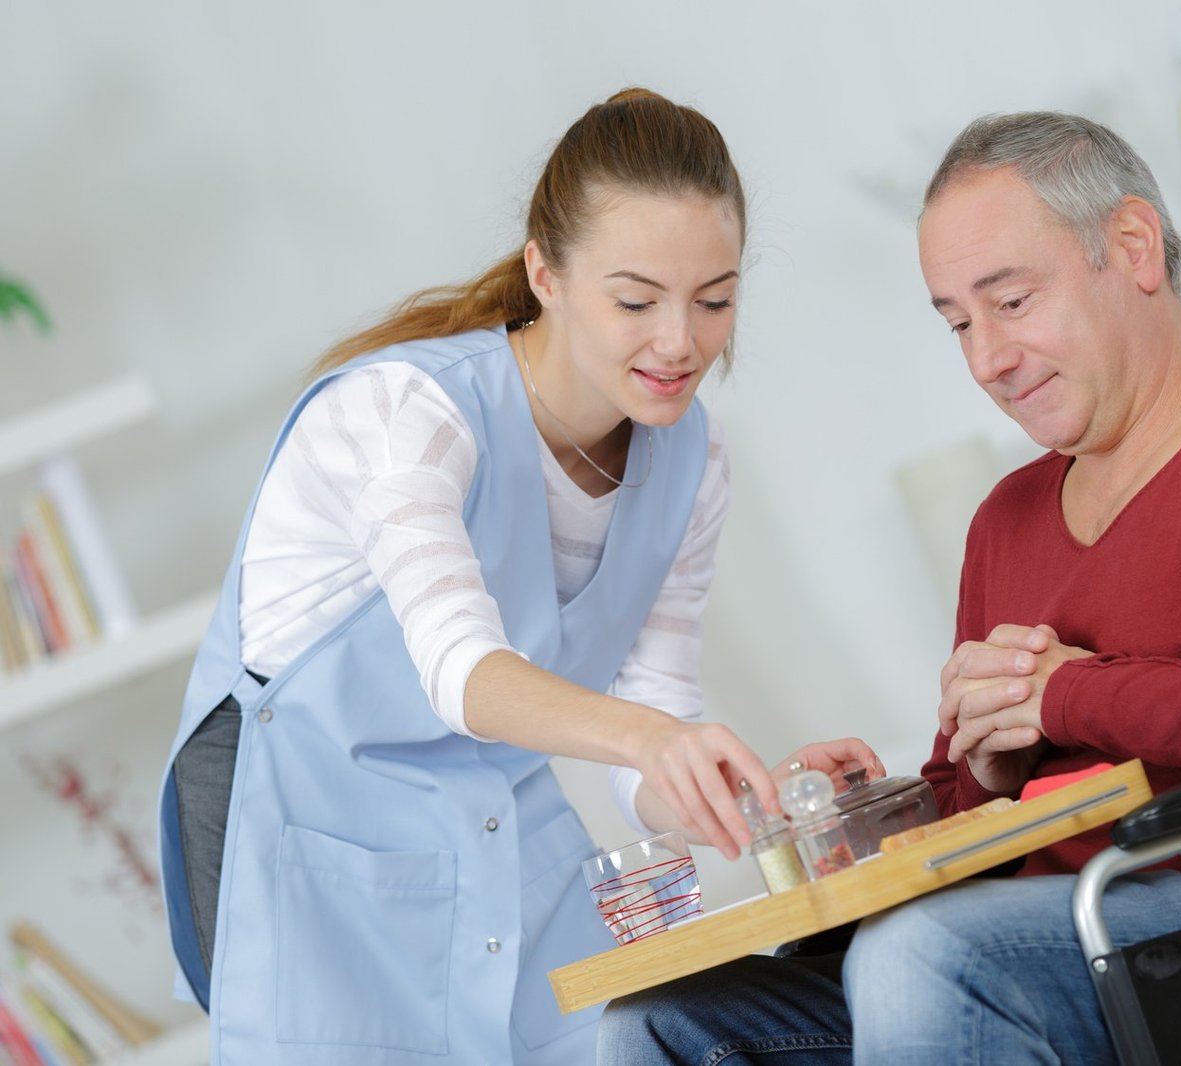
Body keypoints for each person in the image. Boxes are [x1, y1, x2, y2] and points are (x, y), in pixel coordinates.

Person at [597, 111, 1181, 1064]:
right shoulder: (1008, 521)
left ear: (1133, 247)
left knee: (922, 955)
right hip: (1069, 943)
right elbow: (985, 805)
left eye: (1012, 302)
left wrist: (1074, 692)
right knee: (659, 1023)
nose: (986, 359)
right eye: (958, 324)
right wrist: (898, 805)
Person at [155, 88, 880, 1066]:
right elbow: (465, 673)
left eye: (715, 299)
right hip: (308, 829)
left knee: (634, 1038)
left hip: (495, 815)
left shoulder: (689, 463)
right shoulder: (401, 415)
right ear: (545, 271)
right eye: (636, 300)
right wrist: (657, 738)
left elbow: (647, 736)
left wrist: (744, 794)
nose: (680, 342)